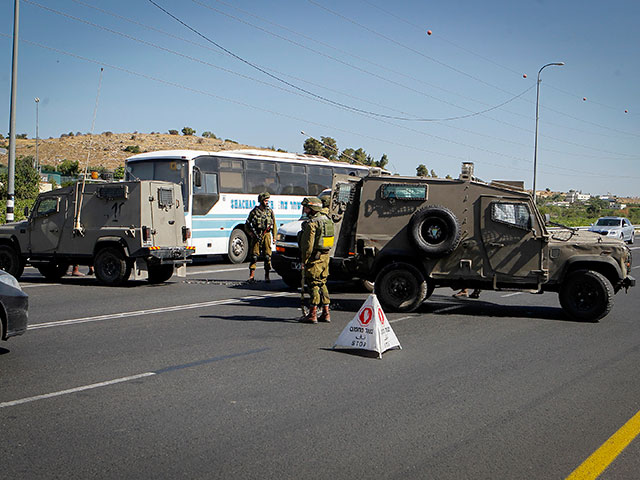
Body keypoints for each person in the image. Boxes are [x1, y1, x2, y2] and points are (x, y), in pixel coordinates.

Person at [298, 196, 334, 323]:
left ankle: (313, 314)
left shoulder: (312, 223)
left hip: (315, 259)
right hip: (325, 257)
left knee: (313, 283)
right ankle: (326, 312)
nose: (305, 210)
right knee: (322, 283)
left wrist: (304, 260)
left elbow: (308, 245)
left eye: (307, 207)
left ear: (312, 208)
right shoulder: (327, 221)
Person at [245, 192, 277, 282]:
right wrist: (250, 233)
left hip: (266, 235)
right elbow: (247, 224)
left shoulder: (270, 212)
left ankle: (267, 276)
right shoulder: (254, 212)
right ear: (261, 201)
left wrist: (274, 237)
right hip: (256, 235)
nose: (267, 202)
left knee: (267, 256)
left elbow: (274, 224)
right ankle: (251, 276)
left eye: (268, 201)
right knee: (254, 256)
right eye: (266, 200)